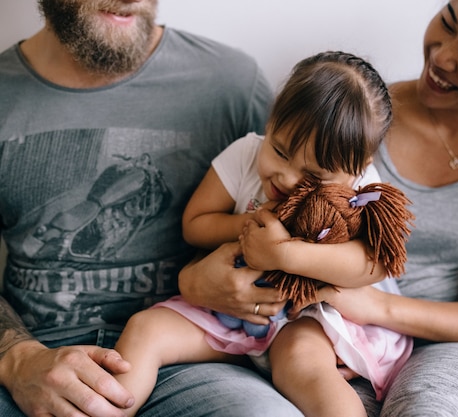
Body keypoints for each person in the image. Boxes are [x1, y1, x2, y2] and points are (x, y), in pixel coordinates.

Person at [182, 0, 458, 415]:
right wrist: (197, 281)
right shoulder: (349, 120)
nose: (442, 56)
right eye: (447, 21)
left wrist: (376, 310)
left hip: (446, 347)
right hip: (310, 330)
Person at [0, 0, 313, 416]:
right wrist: (17, 358)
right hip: (38, 358)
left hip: (189, 360)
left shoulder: (232, 83)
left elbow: (315, 224)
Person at [113, 51, 414, 417]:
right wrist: (248, 229)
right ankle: (109, 409)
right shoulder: (244, 154)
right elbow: (195, 223)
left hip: (307, 316)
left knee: (304, 364)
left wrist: (284, 254)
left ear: (356, 171)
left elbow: (374, 264)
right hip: (228, 306)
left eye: (314, 176)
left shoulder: (363, 189)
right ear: (270, 123)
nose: (286, 178)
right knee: (146, 329)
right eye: (279, 151)